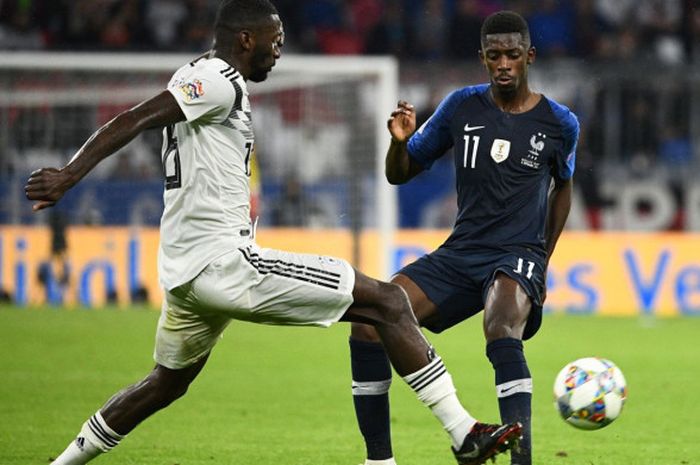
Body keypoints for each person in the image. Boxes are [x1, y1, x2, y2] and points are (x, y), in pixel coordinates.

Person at [24, 1, 522, 464]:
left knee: (165, 383)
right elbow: (136, 117)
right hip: (224, 262)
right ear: (245, 39)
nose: (280, 50)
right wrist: (72, 173)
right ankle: (464, 433)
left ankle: (63, 461)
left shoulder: (194, 73)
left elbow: (154, 115)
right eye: (275, 39)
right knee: (388, 301)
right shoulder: (219, 79)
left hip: (184, 272)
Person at [349, 10, 578, 465]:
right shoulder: (460, 107)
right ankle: (379, 460)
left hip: (518, 253)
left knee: (499, 324)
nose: (504, 64)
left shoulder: (560, 123)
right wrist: (399, 142)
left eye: (513, 54)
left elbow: (562, 190)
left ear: (529, 56)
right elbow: (400, 174)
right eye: (494, 56)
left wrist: (543, 262)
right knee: (370, 321)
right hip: (461, 251)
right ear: (482, 59)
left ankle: (521, 460)